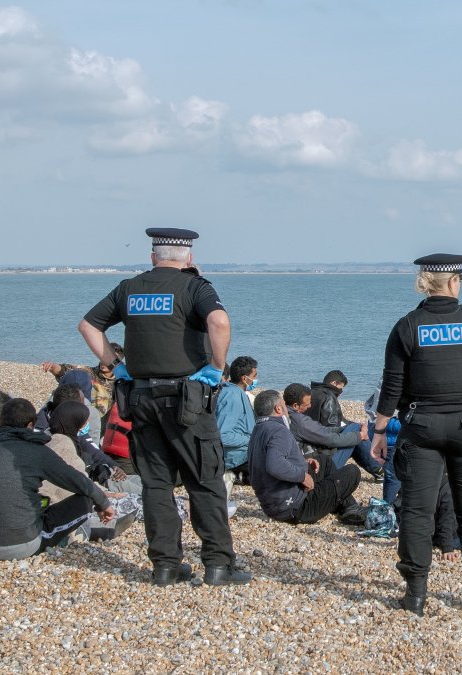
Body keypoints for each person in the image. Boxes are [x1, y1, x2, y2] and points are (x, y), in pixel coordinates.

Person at [78, 227, 249, 586]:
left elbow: (88, 326)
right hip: (187, 396)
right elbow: (219, 321)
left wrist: (113, 363)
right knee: (204, 480)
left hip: (140, 397)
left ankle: (165, 565)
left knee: (156, 484)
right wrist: (217, 367)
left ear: (154, 256)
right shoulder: (195, 287)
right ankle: (218, 564)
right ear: (188, 257)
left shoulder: (131, 288)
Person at [369, 253, 462, 617]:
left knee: (417, 511)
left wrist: (380, 431)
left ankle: (415, 595)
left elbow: (392, 387)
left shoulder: (408, 326)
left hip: (422, 426)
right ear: (454, 282)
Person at [0, 398, 114, 560]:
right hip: (21, 545)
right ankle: (75, 536)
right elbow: (78, 481)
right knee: (85, 500)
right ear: (30, 425)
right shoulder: (36, 451)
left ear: (1, 422)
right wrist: (103, 503)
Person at [248, 390, 367, 525]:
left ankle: (348, 507)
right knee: (352, 472)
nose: (287, 410)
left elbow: (266, 461)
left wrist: (302, 461)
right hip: (296, 507)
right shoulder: (278, 430)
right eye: (284, 406)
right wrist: (303, 476)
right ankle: (348, 509)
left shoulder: (258, 429)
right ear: (278, 408)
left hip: (273, 505)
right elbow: (275, 465)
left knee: (324, 462)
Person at [285, 383, 380, 477]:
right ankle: (379, 470)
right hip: (318, 468)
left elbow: (321, 431)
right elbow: (330, 440)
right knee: (356, 429)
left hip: (304, 460)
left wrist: (345, 429)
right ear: (295, 406)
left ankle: (378, 469)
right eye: (307, 404)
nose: (309, 406)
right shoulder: (299, 421)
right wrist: (360, 435)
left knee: (354, 430)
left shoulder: (284, 417)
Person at [39, 342, 124, 420]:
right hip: (78, 417)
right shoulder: (88, 372)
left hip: (102, 425)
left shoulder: (121, 383)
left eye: (109, 359)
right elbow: (66, 370)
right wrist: (54, 367)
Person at [216, 356, 258, 488]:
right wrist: (251, 439)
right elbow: (223, 435)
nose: (255, 380)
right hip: (237, 457)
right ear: (244, 379)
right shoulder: (232, 396)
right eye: (254, 376)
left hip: (242, 452)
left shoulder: (234, 392)